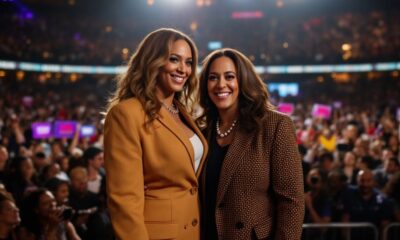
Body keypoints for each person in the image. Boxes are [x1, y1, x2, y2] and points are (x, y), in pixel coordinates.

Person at [104, 28, 208, 240]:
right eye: (174, 59)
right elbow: (125, 200)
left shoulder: (182, 112)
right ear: (152, 60)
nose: (183, 69)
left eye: (189, 62)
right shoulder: (126, 114)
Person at [197, 48, 304, 240]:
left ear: (243, 81)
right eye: (213, 77)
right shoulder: (201, 130)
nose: (221, 85)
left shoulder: (274, 125)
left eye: (229, 77)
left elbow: (292, 202)